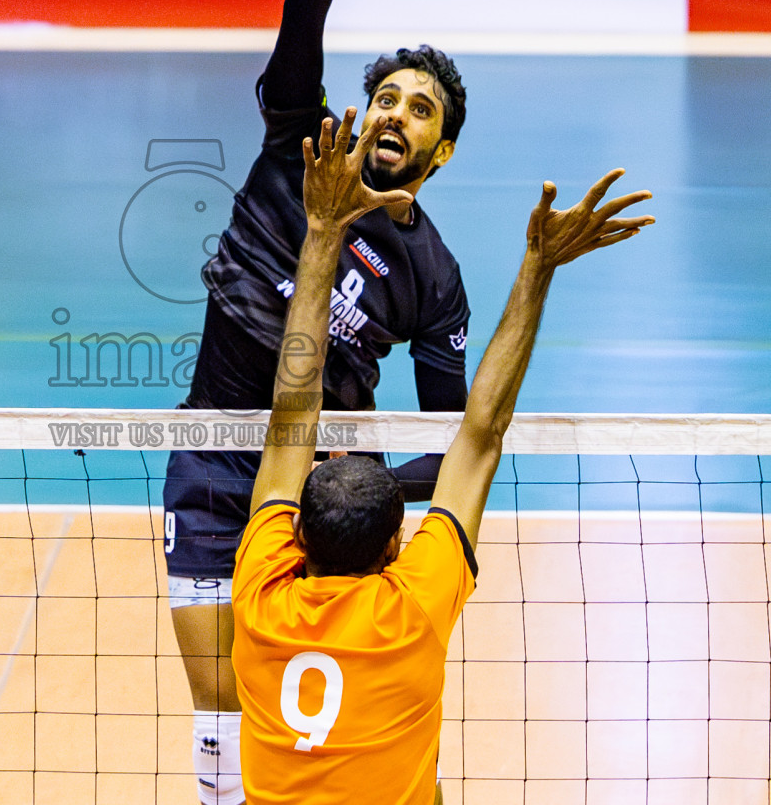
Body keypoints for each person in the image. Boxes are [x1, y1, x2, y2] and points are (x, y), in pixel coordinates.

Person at [164, 0, 476, 803]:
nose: (398, 112)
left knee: (341, 734)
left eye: (422, 109)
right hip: (215, 467)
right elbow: (298, 49)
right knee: (222, 723)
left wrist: (365, 486)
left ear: (442, 151)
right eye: (390, 95)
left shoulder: (435, 277)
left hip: (326, 508)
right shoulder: (304, 146)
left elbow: (451, 431)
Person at [231, 113, 653, 803]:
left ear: (295, 537)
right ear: (397, 543)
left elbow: (290, 414)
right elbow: (481, 432)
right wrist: (538, 267)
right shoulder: (413, 606)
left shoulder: (259, 597)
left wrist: (322, 231)